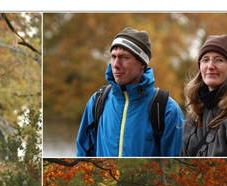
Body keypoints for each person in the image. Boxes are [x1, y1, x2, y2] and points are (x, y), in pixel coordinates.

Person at [76, 27, 184, 157]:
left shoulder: (167, 109)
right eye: (113, 57)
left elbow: (174, 163)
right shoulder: (97, 101)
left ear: (142, 64)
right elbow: (84, 155)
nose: (115, 64)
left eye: (124, 57)